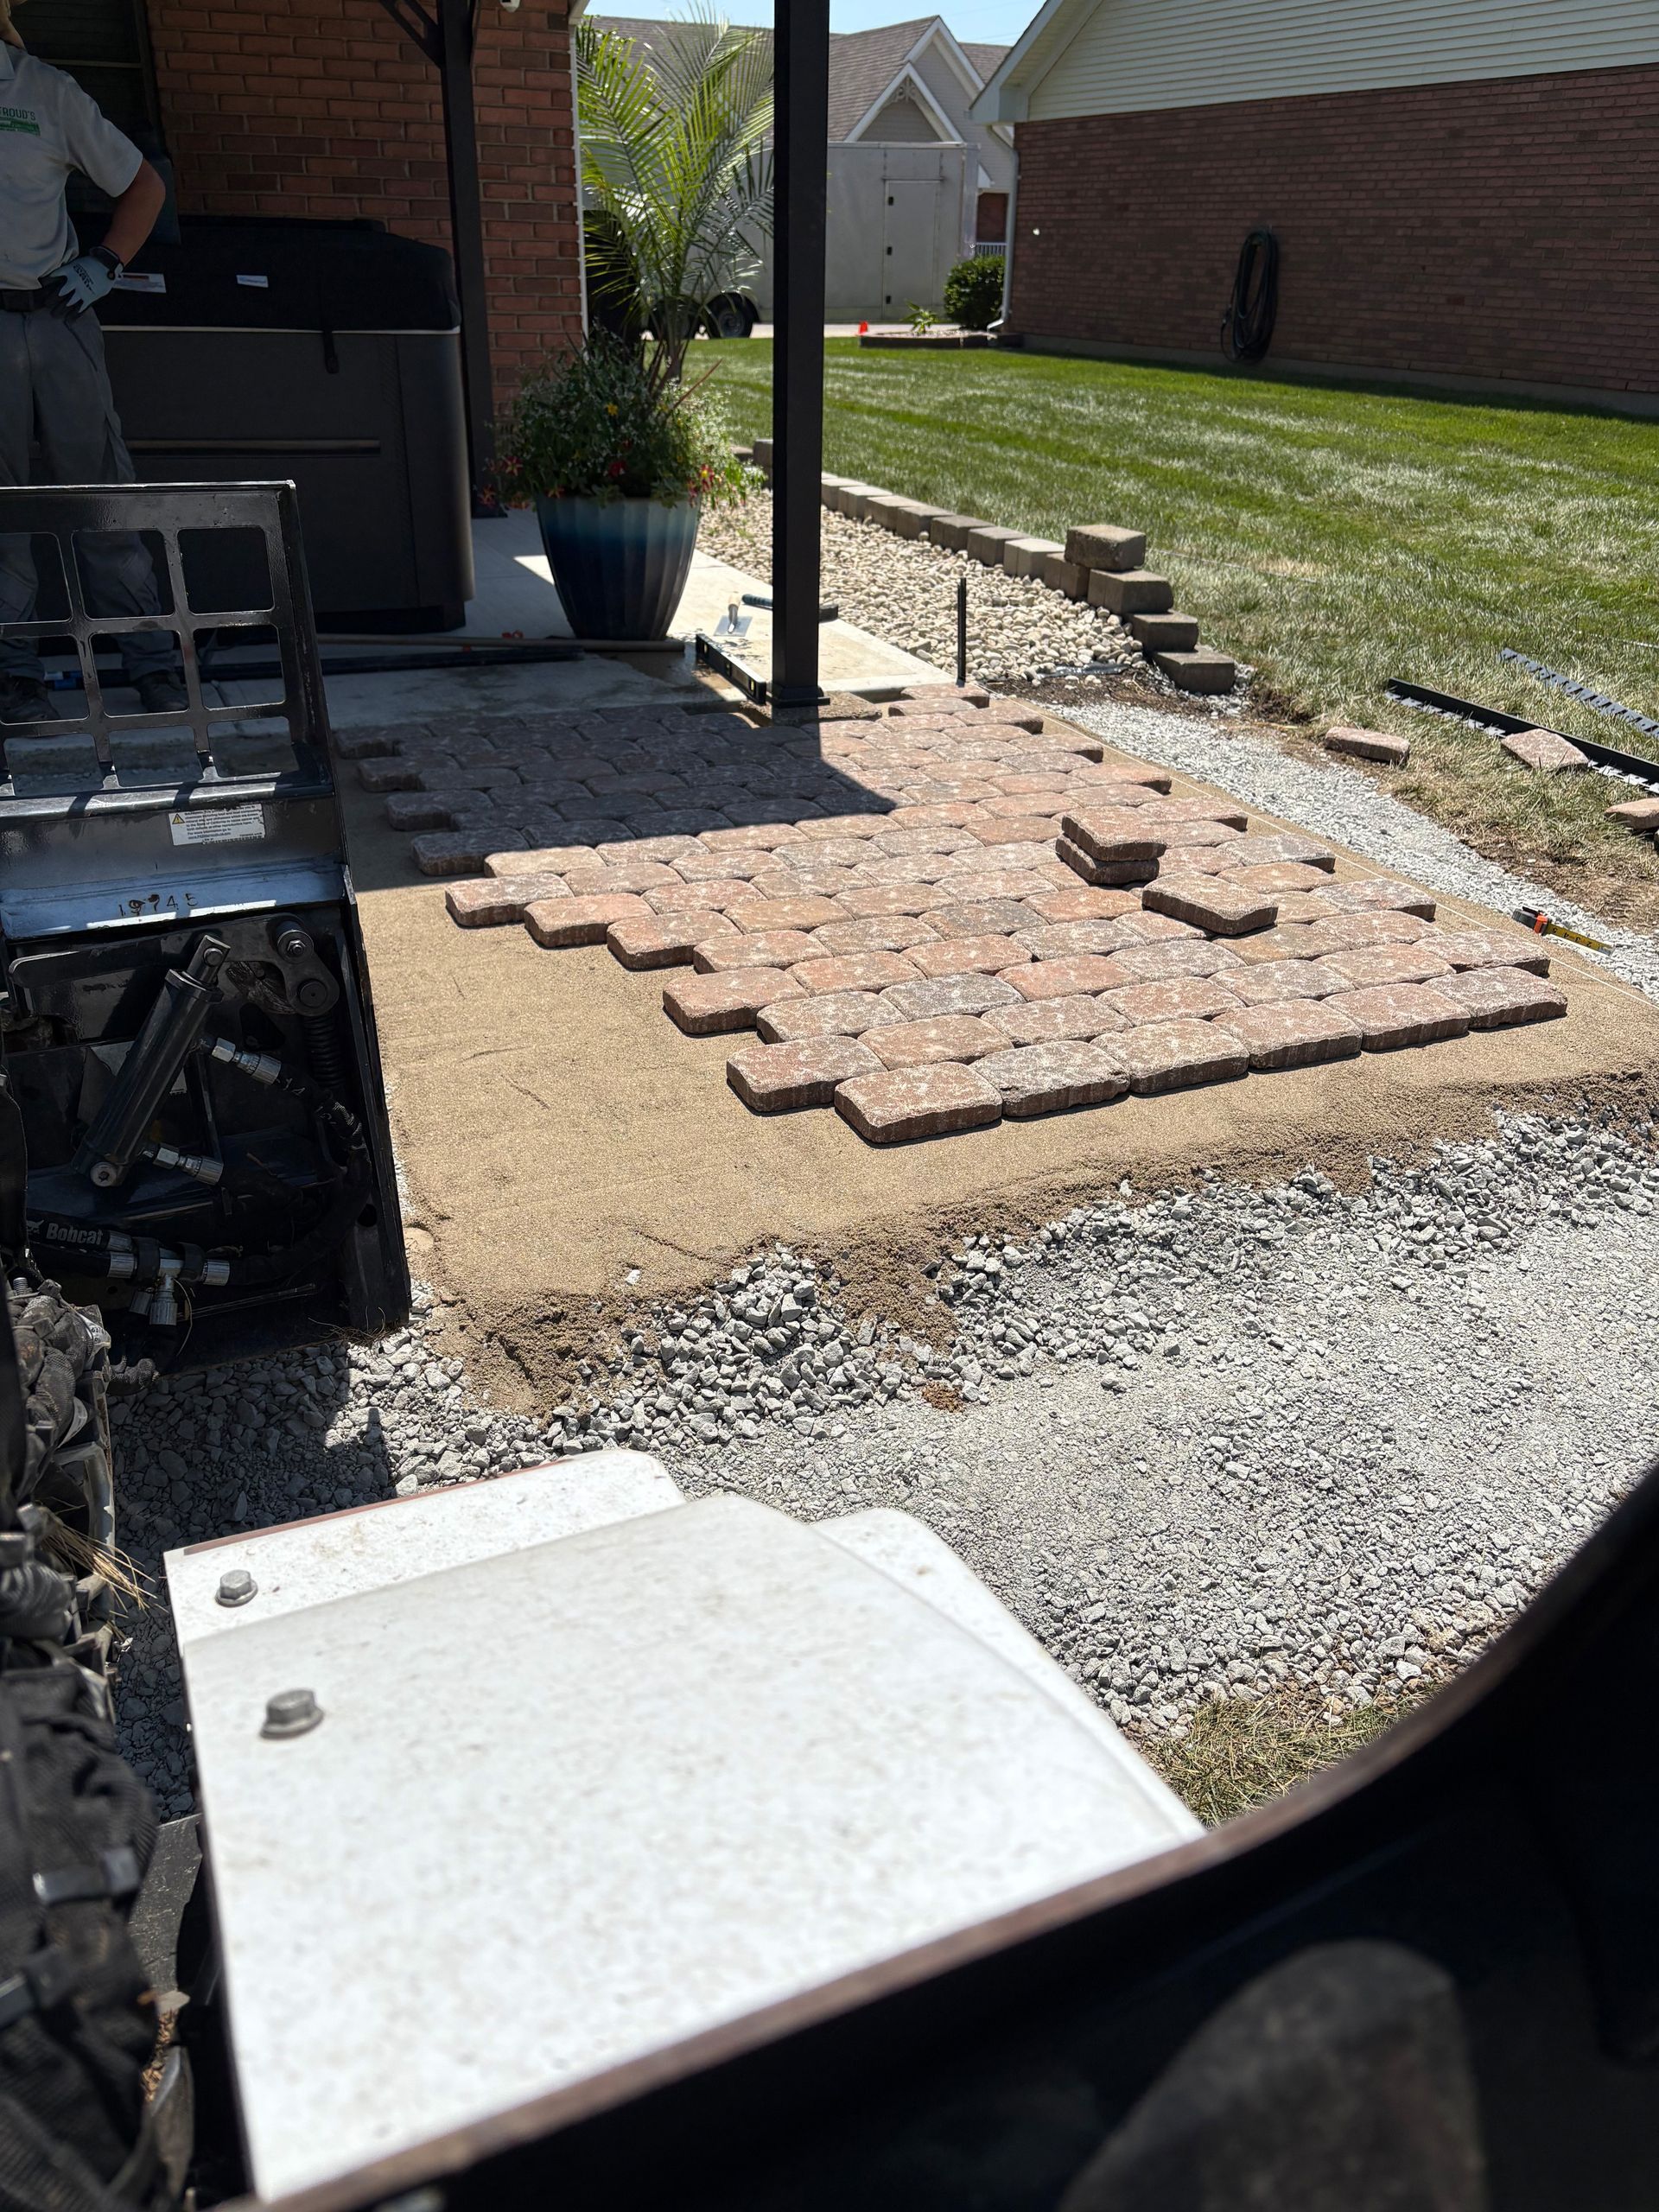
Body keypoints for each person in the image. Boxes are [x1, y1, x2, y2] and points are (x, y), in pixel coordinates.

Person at [0, 0, 186, 725]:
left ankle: (149, 662)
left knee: (101, 491)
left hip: (56, 316)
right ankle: (15, 673)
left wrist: (105, 264)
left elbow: (144, 186)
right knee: (2, 506)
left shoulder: (44, 91)